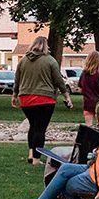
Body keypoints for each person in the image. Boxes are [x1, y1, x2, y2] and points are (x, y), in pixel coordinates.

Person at [12, 36, 73, 165]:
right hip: (45, 98)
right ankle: (36, 159)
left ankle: (31, 154)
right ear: (46, 46)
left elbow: (17, 79)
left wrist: (15, 94)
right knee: (40, 129)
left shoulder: (23, 61)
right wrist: (66, 96)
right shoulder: (50, 60)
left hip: (25, 98)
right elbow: (58, 80)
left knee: (33, 126)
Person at [76, 52, 99, 126]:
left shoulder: (84, 74)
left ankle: (89, 133)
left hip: (87, 103)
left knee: (88, 125)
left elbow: (80, 89)